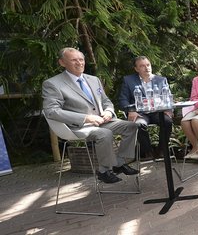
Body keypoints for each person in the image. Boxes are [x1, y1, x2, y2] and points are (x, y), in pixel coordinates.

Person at [43, 48, 139, 184]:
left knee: (132, 126)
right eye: (74, 60)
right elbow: (51, 111)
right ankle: (104, 171)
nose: (79, 63)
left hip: (102, 120)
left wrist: (108, 112)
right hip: (78, 126)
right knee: (104, 134)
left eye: (81, 59)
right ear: (62, 63)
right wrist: (86, 118)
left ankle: (119, 163)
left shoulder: (93, 80)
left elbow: (106, 101)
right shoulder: (53, 83)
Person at [118, 56, 173, 160]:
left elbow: (168, 98)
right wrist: (131, 111)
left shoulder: (161, 80)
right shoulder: (128, 80)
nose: (146, 68)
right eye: (142, 66)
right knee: (139, 124)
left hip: (158, 112)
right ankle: (148, 152)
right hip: (140, 113)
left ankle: (161, 150)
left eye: (148, 65)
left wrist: (169, 110)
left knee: (167, 122)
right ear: (136, 69)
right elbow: (123, 100)